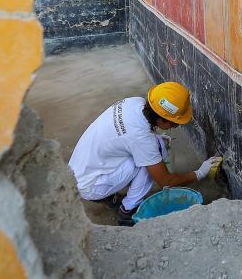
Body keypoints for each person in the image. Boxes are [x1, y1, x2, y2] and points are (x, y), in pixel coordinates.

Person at [68, 81, 221, 225]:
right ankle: (128, 211)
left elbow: (128, 135)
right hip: (90, 185)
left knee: (153, 148)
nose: (175, 127)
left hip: (77, 173)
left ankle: (110, 195)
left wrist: (154, 140)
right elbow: (166, 181)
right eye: (174, 123)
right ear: (161, 120)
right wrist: (200, 172)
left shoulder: (135, 102)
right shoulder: (141, 138)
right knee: (151, 160)